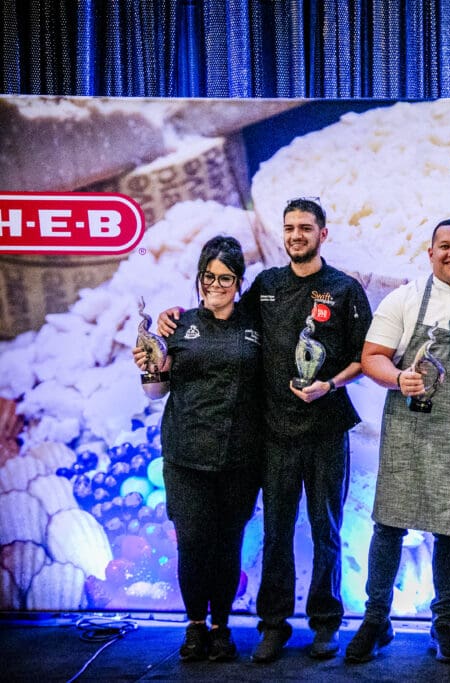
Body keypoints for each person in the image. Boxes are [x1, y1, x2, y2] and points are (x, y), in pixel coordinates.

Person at [159, 198, 372, 662]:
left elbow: (366, 357)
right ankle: (272, 626)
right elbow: (224, 315)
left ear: (323, 233)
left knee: (326, 530)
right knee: (276, 533)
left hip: (326, 430)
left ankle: (325, 623)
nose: (296, 235)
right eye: (290, 227)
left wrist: (330, 384)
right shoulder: (266, 286)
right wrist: (176, 319)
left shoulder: (344, 289)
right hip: (273, 434)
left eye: (306, 227)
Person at [346, 218, 450, 665]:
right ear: (430, 252)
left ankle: (444, 623)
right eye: (444, 246)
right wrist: (399, 378)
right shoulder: (404, 297)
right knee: (390, 525)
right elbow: (371, 357)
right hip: (408, 427)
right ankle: (376, 619)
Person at [133, 235, 261, 662]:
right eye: (210, 276)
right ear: (200, 277)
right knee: (192, 544)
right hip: (186, 455)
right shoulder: (177, 324)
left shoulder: (255, 324)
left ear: (239, 281)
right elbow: (155, 393)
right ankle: (194, 626)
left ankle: (222, 627)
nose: (217, 284)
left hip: (240, 456)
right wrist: (150, 366)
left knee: (229, 544)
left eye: (226, 277)